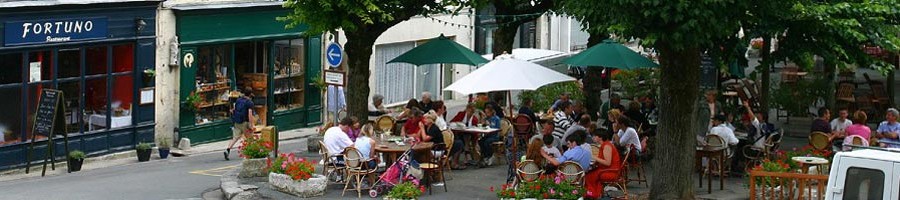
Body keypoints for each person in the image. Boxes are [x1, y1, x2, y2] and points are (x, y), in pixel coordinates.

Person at [584, 130, 622, 199]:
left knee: (588, 176)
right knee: (588, 174)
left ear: (600, 138)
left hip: (611, 171)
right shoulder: (604, 145)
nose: (593, 138)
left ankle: (593, 194)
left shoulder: (607, 146)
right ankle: (593, 194)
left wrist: (594, 157)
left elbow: (607, 163)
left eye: (595, 136)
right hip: (606, 169)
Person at [225, 88, 255, 160]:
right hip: (245, 122)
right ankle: (248, 153)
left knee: (235, 137)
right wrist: (251, 124)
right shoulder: (249, 103)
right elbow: (250, 114)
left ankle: (227, 150)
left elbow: (234, 109)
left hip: (237, 121)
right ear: (250, 94)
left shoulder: (238, 100)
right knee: (249, 139)